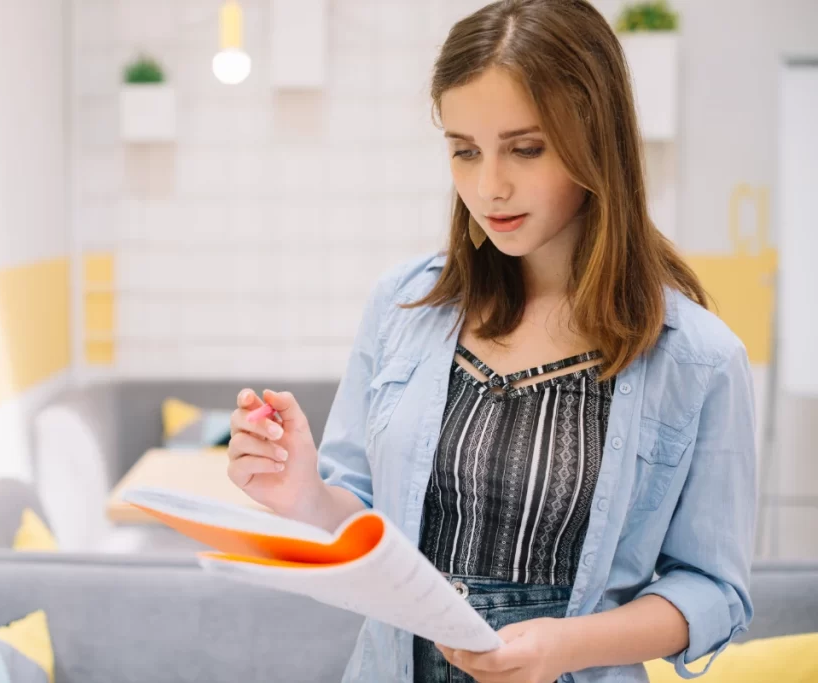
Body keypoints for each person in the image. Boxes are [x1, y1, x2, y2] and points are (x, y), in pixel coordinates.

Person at [225, 1, 756, 681]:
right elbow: (361, 522)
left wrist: (566, 646)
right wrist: (302, 492)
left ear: (596, 138)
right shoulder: (403, 305)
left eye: (525, 148)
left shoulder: (699, 359)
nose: (489, 186)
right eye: (464, 151)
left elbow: (715, 590)